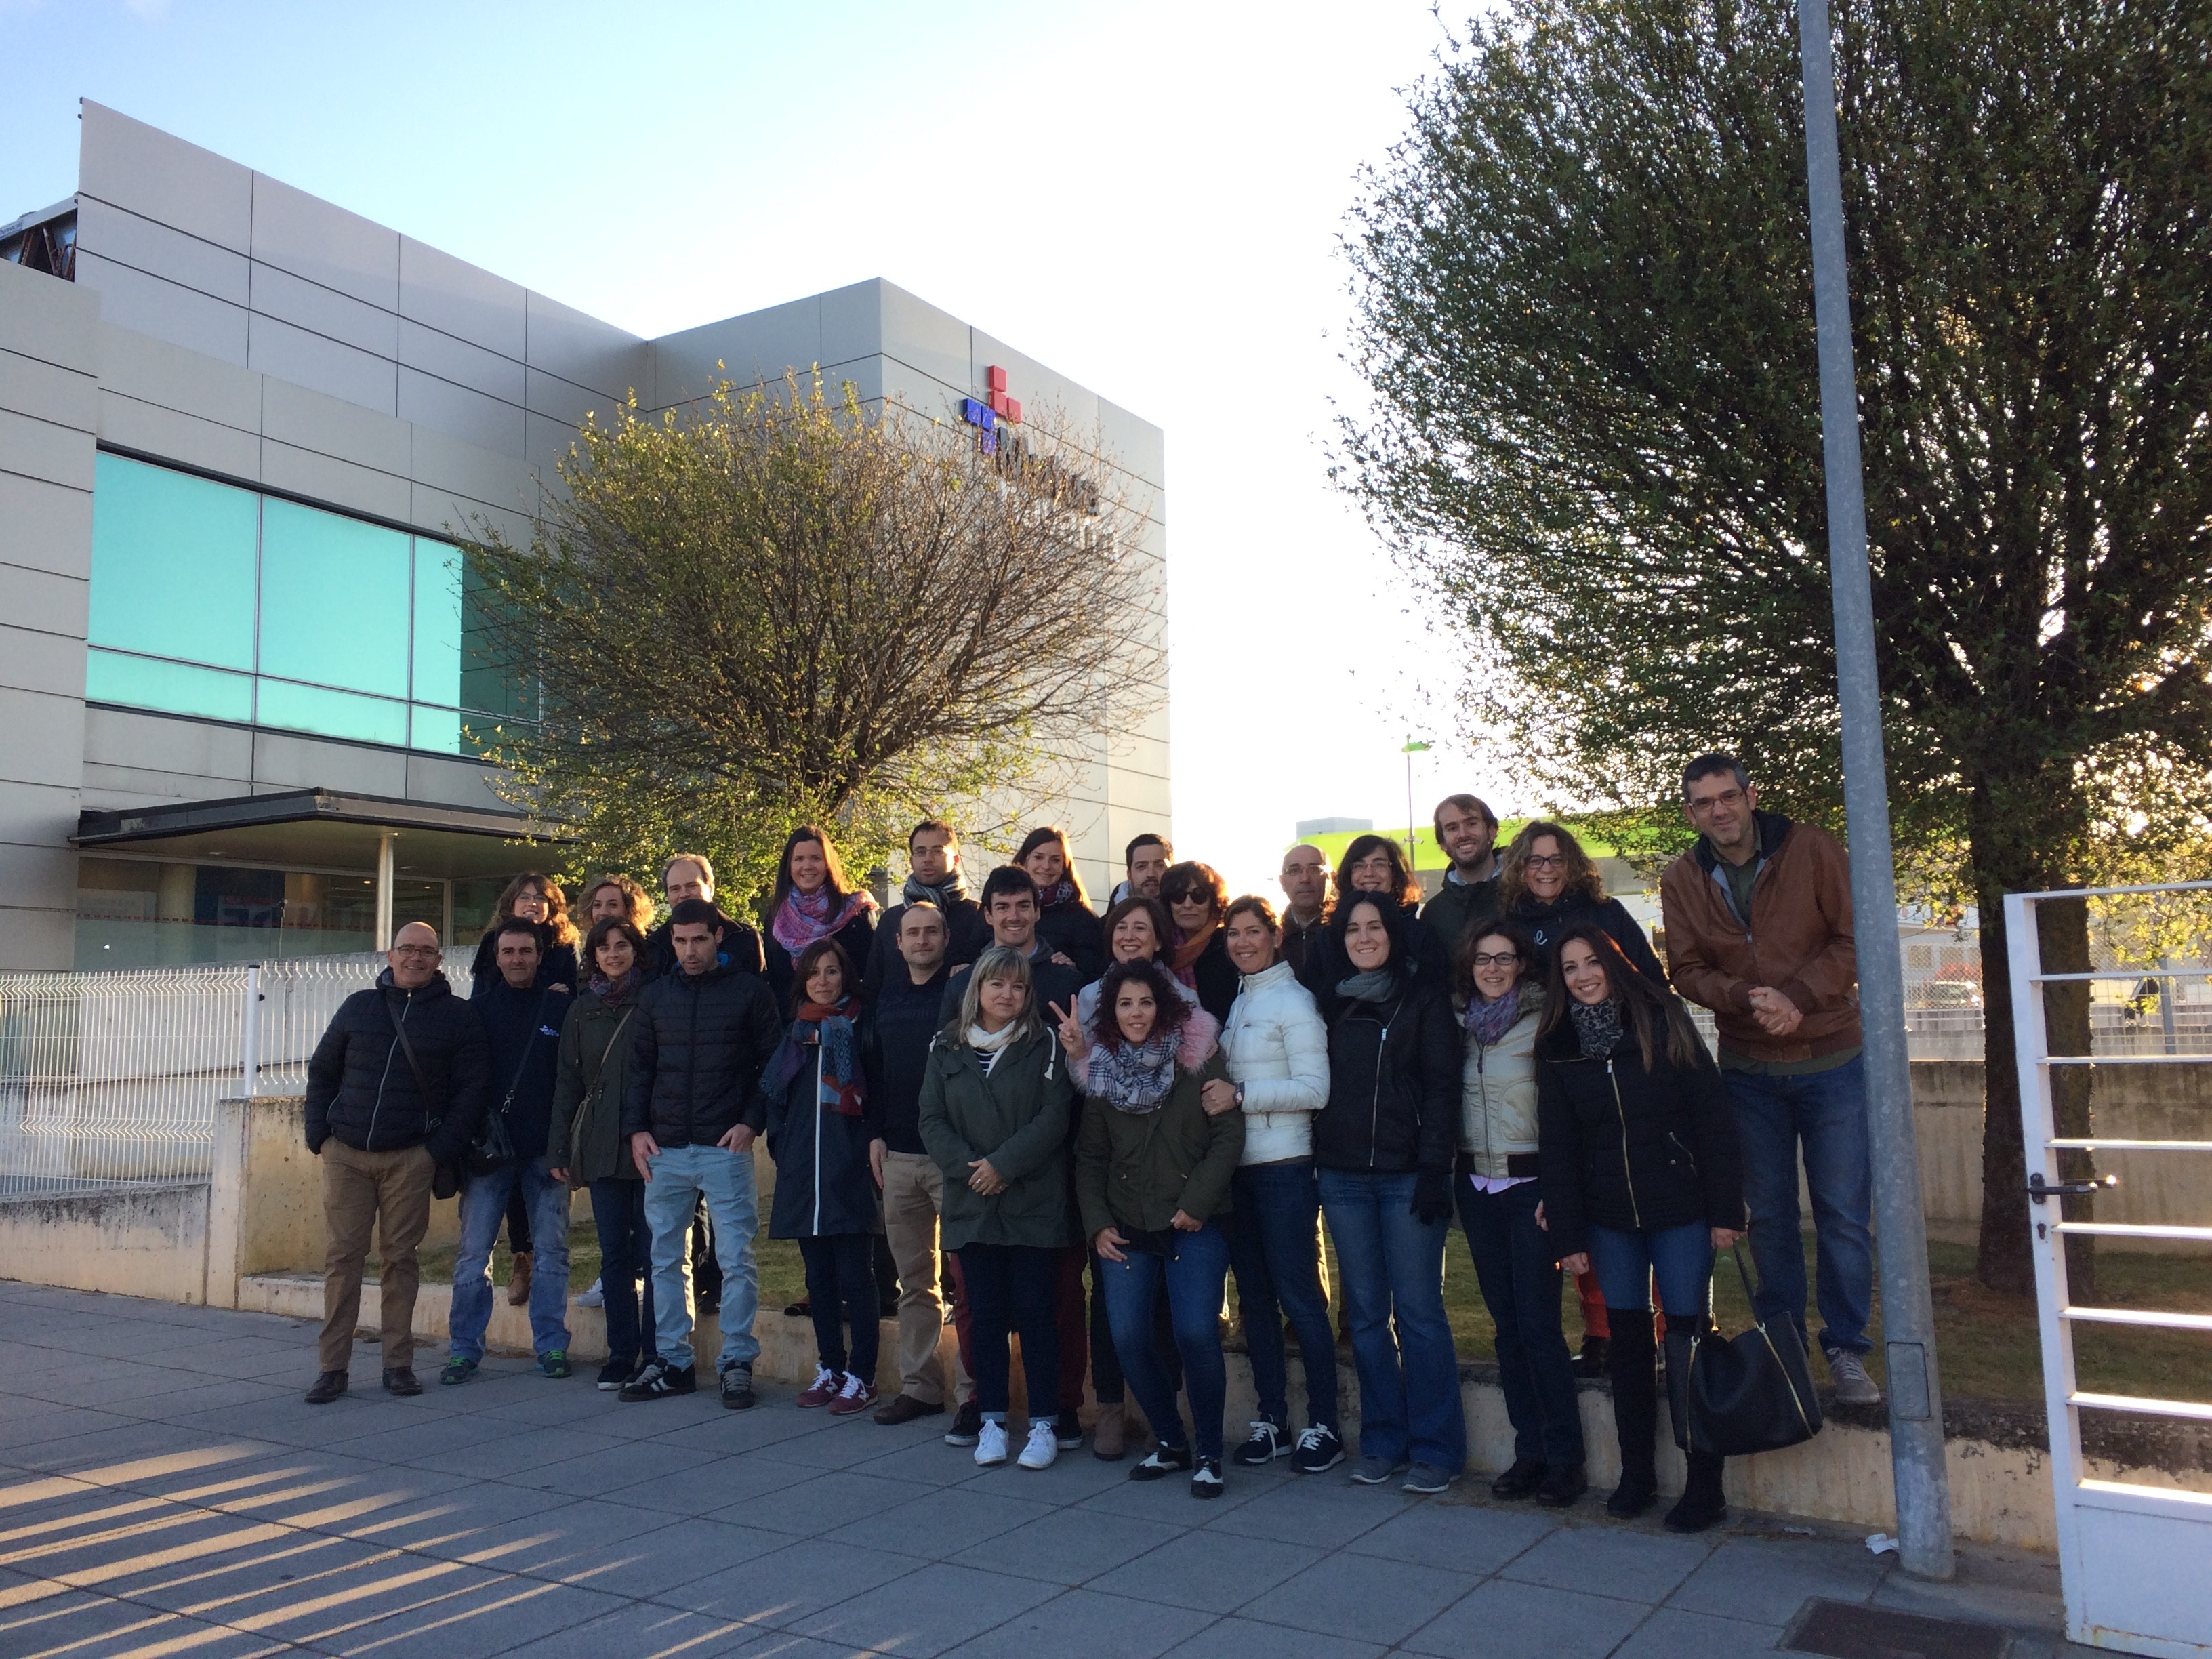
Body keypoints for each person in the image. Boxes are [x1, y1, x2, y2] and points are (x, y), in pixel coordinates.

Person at [1660, 753, 1879, 1406]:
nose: (1719, 811)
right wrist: (1742, 995)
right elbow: (1686, 968)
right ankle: (1784, 1347)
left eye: (1728, 797)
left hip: (1833, 1061)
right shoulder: (1682, 877)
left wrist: (1798, 999)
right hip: (1748, 1073)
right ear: (1692, 813)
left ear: (1751, 797)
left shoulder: (1811, 848)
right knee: (1772, 1219)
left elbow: (1852, 936)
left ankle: (1845, 1348)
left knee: (1843, 1216)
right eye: (1704, 803)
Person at [1536, 924, 1746, 1532]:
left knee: (1687, 1344)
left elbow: (1711, 1114)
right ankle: (1637, 1476)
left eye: (1591, 962)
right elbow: (1560, 1145)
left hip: (1680, 1209)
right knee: (1628, 1348)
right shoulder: (1559, 1045)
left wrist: (1728, 1208)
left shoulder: (1662, 1020)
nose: (1582, 976)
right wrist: (1568, 1235)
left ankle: (1705, 1485)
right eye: (1570, 968)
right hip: (1608, 1220)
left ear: (1615, 964)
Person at [1312, 893, 1466, 1494]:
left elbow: (1441, 1089)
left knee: (1421, 1314)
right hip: (1344, 1177)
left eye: (1375, 927)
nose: (1365, 937)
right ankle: (1383, 1438)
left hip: (1408, 1176)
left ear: (1393, 935)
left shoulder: (1422, 999)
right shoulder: (1329, 1002)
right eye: (1354, 928)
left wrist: (1434, 1168)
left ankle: (1437, 1447)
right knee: (1370, 1318)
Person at [1071, 959, 1244, 1498]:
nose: (1136, 1013)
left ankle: (1210, 1452)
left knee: (1195, 1332)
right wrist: (1097, 1222)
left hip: (1195, 1222)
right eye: (1125, 1004)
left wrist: (1196, 1203)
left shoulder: (1199, 1059)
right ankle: (1170, 1442)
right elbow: (1090, 1158)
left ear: (1164, 1006)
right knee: (1127, 1337)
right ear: (1112, 1013)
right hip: (1127, 1223)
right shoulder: (1102, 1073)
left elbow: (1227, 1136)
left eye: (1146, 1002)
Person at [302, 922, 487, 1404]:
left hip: (410, 1157)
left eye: (426, 952)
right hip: (346, 1153)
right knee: (343, 1259)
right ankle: (332, 1368)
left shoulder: (456, 1017)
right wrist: (319, 1137)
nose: (415, 959)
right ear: (390, 954)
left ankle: (397, 1363)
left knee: (400, 1260)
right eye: (407, 949)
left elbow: (471, 1092)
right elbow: (323, 1071)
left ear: (439, 962)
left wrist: (436, 1151)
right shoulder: (359, 1006)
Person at [918, 947, 1080, 1471]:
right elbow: (931, 1119)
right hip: (972, 1204)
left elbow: (1054, 1117)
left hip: (1031, 1204)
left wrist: (1004, 1166)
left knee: (1037, 1315)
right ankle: (990, 1419)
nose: (1007, 995)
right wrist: (972, 1170)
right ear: (978, 990)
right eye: (997, 985)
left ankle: (1044, 1425)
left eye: (1017, 987)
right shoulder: (946, 1047)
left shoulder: (1045, 1044)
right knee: (983, 1317)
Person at [1061, 892, 1210, 1459]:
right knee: (1113, 1298)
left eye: (1142, 928)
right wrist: (1079, 1053)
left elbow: (1195, 1084)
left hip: (1167, 1168)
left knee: (1167, 1306)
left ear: (1158, 939)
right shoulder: (1092, 998)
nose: (1130, 936)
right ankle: (1111, 1406)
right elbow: (1091, 1089)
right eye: (1121, 927)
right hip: (1108, 1159)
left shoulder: (1183, 1002)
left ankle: (1161, 1410)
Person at [619, 899, 783, 1408]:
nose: (689, 950)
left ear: (717, 938)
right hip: (664, 1147)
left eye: (698, 940)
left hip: (723, 1144)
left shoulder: (750, 993)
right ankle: (672, 1362)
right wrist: (636, 1131)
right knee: (664, 1259)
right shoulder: (656, 996)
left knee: (737, 1258)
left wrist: (750, 1122)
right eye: (680, 941)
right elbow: (639, 1068)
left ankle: (737, 1361)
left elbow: (773, 1064)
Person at [1452, 917, 1584, 1505]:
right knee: (1507, 1331)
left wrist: (1560, 1193)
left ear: (1522, 966)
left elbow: (1567, 1116)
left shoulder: (1544, 1023)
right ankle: (1528, 1451)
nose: (1493, 969)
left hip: (1530, 1189)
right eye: (1483, 959)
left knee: (1539, 1327)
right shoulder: (1459, 1027)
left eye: (1505, 958)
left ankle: (1566, 1458)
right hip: (1478, 1190)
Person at [1209, 895, 1342, 1474]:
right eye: (1233, 934)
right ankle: (1273, 1420)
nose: (1242, 942)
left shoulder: (1293, 1001)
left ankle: (1326, 1423)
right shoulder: (1241, 1003)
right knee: (1254, 1302)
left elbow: (1315, 1089)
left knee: (1301, 1301)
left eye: (1253, 932)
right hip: (1240, 1169)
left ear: (1274, 936)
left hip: (1285, 1168)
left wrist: (1241, 1097)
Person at [861, 901, 975, 1427]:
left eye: (932, 932)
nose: (922, 940)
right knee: (914, 1282)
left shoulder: (963, 996)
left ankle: (975, 1389)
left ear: (946, 937)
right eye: (913, 933)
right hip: (900, 1155)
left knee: (969, 1278)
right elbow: (875, 1073)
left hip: (953, 1156)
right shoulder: (883, 998)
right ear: (898, 943)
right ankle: (920, 1386)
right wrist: (876, 1135)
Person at [445, 920, 573, 1384]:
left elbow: (571, 1082)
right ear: (496, 958)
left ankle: (552, 1346)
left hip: (546, 1152)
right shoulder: (475, 1012)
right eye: (508, 951)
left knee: (553, 1252)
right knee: (473, 1253)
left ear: (540, 956)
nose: (517, 958)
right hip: (489, 1156)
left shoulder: (561, 1007)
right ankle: (463, 1349)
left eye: (525, 950)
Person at [762, 938, 884, 1418]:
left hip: (847, 1169)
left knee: (858, 1276)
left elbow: (874, 1093)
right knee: (819, 1279)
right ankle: (831, 1366)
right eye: (814, 973)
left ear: (845, 976)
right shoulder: (795, 1033)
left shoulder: (860, 1027)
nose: (823, 981)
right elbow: (775, 1095)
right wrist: (781, 1144)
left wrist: (862, 1146)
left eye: (832, 971)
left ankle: (863, 1375)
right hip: (802, 1174)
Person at [550, 916, 657, 1391]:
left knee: (657, 1254)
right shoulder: (582, 1010)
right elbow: (568, 1083)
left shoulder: (654, 1000)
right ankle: (621, 1352)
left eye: (623, 945)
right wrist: (559, 1147)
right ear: (592, 956)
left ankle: (656, 1350)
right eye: (604, 948)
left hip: (650, 1142)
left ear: (637, 950)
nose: (614, 954)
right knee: (614, 1252)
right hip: (600, 1144)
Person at [1498, 821, 1665, 986]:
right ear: (1520, 868)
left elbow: (1652, 977)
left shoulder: (1606, 911)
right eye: (1535, 861)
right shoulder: (1511, 923)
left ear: (1572, 865)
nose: (1547, 869)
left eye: (1557, 860)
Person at [1296, 833, 1450, 996]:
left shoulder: (1421, 937)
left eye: (1379, 864)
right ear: (1349, 875)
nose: (1369, 872)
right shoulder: (1327, 940)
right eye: (1359, 865)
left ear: (1394, 872)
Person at [941, 867, 1086, 1025]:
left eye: (1023, 906)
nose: (1014, 917)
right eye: (1003, 907)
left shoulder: (1067, 982)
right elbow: (943, 1046)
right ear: (988, 916)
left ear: (1037, 912)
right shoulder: (962, 984)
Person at [763, 825, 880, 1010]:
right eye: (799, 859)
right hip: (796, 1026)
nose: (807, 866)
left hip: (851, 1022)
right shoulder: (776, 919)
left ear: (828, 864)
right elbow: (778, 984)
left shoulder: (856, 912)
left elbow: (872, 977)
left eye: (816, 858)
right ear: (789, 866)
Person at [865, 819, 989, 991]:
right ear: (911, 861)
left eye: (938, 851)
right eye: (920, 852)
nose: (928, 859)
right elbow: (873, 987)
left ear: (955, 859)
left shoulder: (980, 916)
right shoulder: (891, 920)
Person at [644, 853, 765, 979]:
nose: (684, 894)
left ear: (711, 888)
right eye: (675, 889)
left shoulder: (744, 938)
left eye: (692, 886)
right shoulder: (656, 945)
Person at [1017, 825, 1106, 982]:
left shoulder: (1082, 918)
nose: (1046, 866)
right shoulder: (1001, 905)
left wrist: (1072, 970)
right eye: (1039, 857)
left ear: (1064, 866)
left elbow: (1096, 976)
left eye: (1055, 860)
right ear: (1024, 860)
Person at [1422, 794, 1503, 958]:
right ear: (1443, 844)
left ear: (1492, 832)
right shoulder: (1433, 914)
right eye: (1452, 828)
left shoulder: (1524, 895)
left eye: (1472, 824)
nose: (1463, 834)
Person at [468, 873, 580, 989]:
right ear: (511, 905)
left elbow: (576, 993)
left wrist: (557, 998)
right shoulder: (492, 941)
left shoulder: (564, 943)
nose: (532, 903)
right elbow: (479, 994)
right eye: (524, 897)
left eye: (540, 898)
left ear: (551, 907)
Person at [1160, 861, 1239, 1023]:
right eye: (1178, 897)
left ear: (1214, 901)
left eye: (1199, 896)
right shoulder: (1159, 949)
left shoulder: (1230, 946)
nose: (1188, 905)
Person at [1276, 844, 1334, 979]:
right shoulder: (1270, 935)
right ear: (1282, 882)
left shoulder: (1348, 929)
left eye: (1315, 869)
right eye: (1294, 870)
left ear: (1331, 878)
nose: (1305, 879)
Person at [1108, 832, 1174, 905]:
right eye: (1141, 867)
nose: (1151, 874)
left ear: (1173, 870)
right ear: (1129, 875)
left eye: (1160, 865)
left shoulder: (1187, 913)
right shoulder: (1111, 917)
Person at [581, 873, 655, 934]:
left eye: (613, 905)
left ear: (631, 910)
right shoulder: (590, 950)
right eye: (597, 905)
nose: (603, 912)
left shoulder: (651, 949)